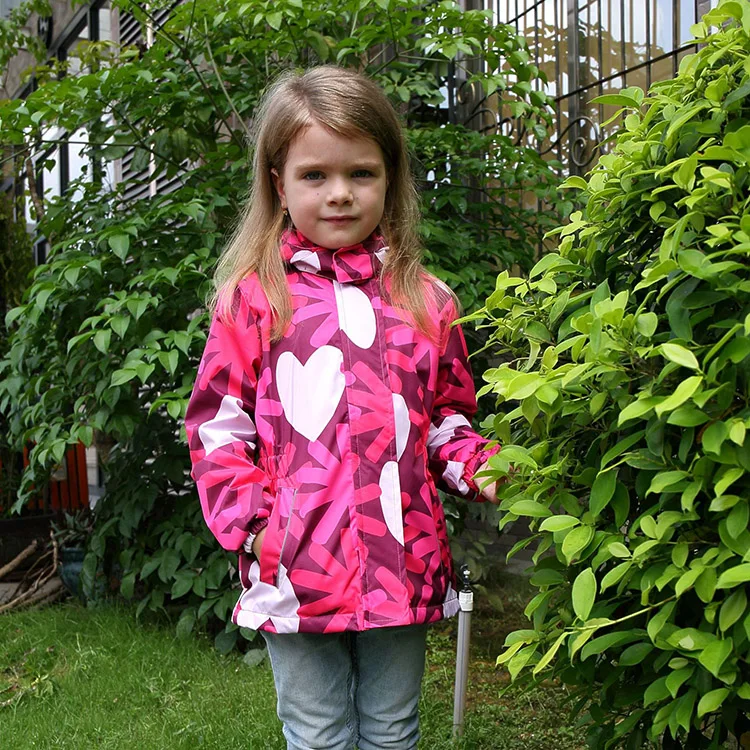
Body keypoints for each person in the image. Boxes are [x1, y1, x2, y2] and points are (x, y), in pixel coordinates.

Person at [185, 65, 500, 750]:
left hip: (402, 559)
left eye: (361, 173)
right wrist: (258, 528)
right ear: (279, 183)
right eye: (315, 175)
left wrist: (487, 468)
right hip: (297, 564)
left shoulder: (427, 302)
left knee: (392, 730)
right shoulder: (254, 300)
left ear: (391, 178)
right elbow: (218, 428)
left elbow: (446, 420)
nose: (339, 193)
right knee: (318, 733)